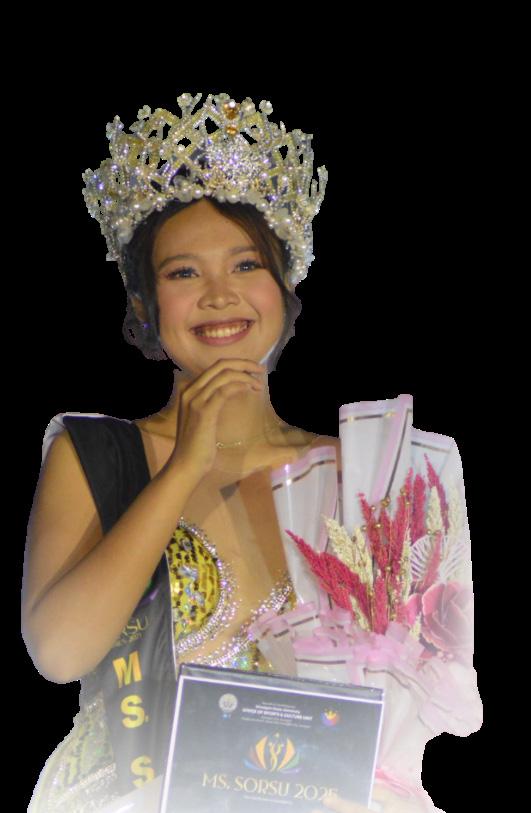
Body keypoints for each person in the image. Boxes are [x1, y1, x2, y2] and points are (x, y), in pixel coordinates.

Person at [23, 93, 480, 812]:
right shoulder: (100, 455)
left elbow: (425, 683)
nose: (218, 295)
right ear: (144, 304)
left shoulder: (365, 474)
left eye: (244, 265)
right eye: (183, 273)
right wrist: (183, 466)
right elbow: (59, 652)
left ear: (284, 285)